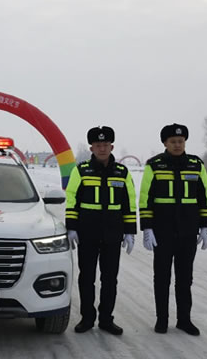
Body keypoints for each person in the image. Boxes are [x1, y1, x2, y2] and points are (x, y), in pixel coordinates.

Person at [139, 123, 207, 336]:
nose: (177, 145)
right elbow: (145, 198)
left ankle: (184, 320)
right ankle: (162, 319)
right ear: (165, 143)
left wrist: (205, 226)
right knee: (162, 278)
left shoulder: (196, 165)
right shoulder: (154, 165)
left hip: (188, 232)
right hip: (162, 232)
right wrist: (147, 228)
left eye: (181, 141)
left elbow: (205, 196)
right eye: (173, 141)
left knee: (185, 278)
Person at [65, 126, 137, 335]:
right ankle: (87, 318)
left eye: (106, 145)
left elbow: (129, 203)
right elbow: (71, 199)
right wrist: (72, 228)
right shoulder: (81, 171)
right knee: (87, 278)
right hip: (87, 234)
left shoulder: (122, 172)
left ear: (111, 147)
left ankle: (106, 319)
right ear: (92, 148)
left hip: (113, 234)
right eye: (98, 145)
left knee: (110, 279)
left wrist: (130, 231)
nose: (102, 148)